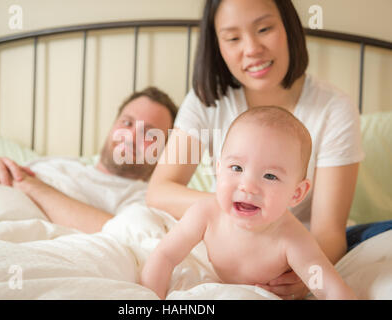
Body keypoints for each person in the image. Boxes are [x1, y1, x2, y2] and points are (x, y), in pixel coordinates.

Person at [146, 0, 391, 300]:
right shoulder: (206, 102)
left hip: (292, 246)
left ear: (288, 28)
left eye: (264, 29)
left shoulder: (333, 108)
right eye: (233, 38)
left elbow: (328, 231)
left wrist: (303, 276)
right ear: (217, 45)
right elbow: (158, 191)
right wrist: (227, 208)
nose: (251, 49)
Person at [141, 106, 357, 300]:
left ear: (296, 193)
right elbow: (164, 256)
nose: (248, 186)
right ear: (218, 169)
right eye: (236, 168)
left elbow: (329, 289)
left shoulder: (294, 240)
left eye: (270, 176)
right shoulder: (205, 214)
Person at [0, 86, 177, 234]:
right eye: (127, 123)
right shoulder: (59, 163)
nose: (130, 138)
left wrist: (30, 185)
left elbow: (122, 235)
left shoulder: (146, 197)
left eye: (149, 135)